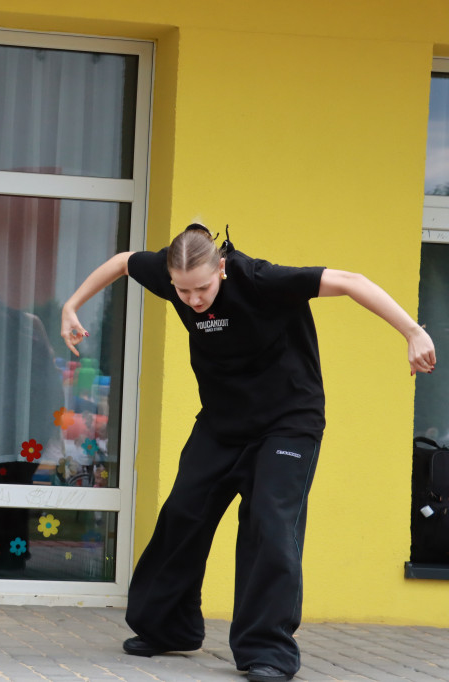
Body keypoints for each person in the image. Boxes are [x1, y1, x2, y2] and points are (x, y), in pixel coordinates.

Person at [60, 224, 436, 682]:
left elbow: (352, 282)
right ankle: (168, 627)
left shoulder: (262, 279)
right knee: (184, 513)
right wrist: (71, 305)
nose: (194, 300)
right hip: (221, 423)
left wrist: (413, 332)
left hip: (287, 423)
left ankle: (268, 651)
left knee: (270, 524)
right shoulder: (169, 275)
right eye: (182, 291)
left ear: (220, 267)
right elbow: (122, 262)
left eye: (202, 288)